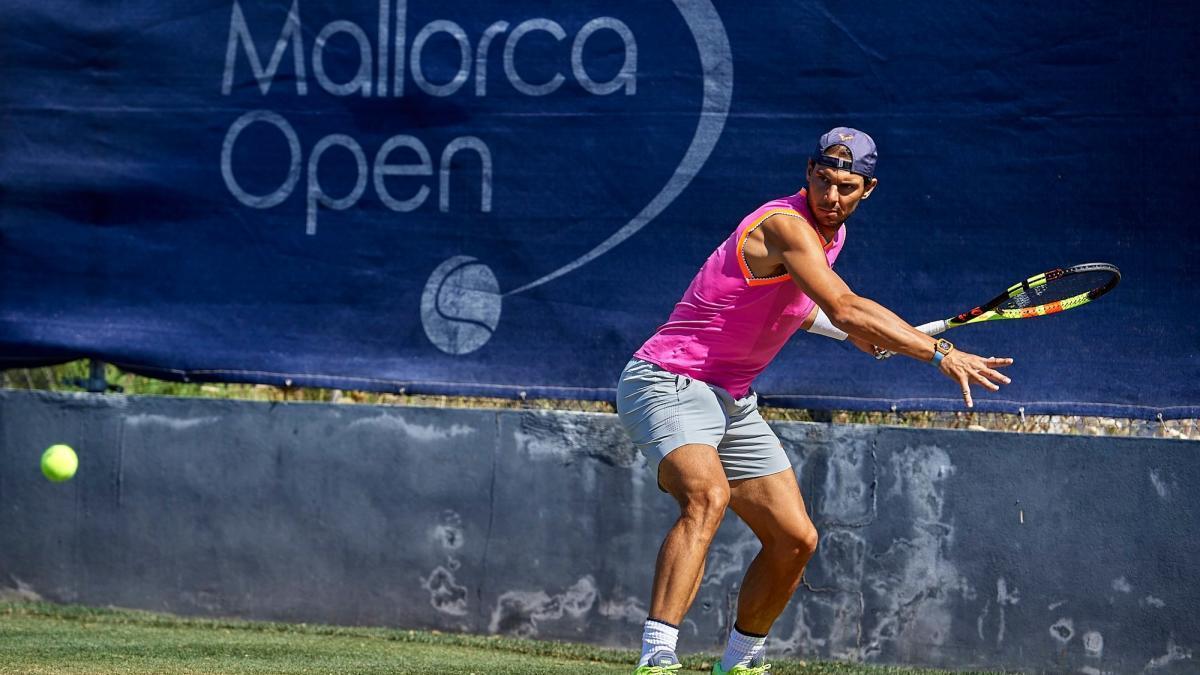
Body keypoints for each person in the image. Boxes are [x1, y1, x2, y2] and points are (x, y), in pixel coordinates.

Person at [616, 127, 1014, 675]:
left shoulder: (830, 236)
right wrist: (939, 353)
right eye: (822, 181)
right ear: (808, 172)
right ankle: (657, 655)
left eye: (845, 187)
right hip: (668, 379)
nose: (831, 197)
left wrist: (844, 334)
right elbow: (845, 303)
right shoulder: (785, 224)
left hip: (731, 398)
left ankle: (740, 661)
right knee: (706, 496)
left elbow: (793, 303)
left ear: (867, 190)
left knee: (795, 540)